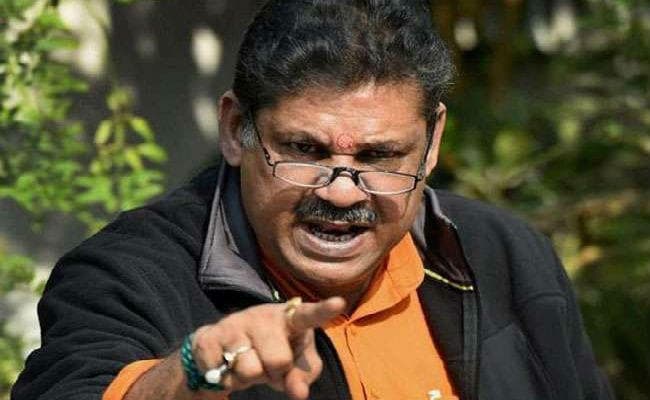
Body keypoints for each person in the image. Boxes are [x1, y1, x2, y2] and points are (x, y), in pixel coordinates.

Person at [12, 1, 613, 399]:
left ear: (431, 144)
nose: (342, 191)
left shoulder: (503, 253)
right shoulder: (129, 273)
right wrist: (191, 372)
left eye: (379, 157)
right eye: (305, 150)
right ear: (237, 130)